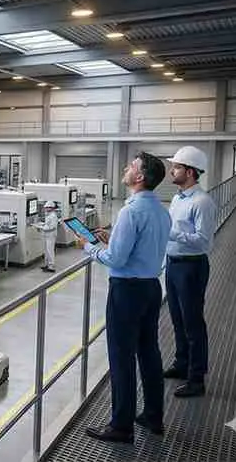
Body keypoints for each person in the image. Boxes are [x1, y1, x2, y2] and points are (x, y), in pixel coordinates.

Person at [77, 152, 171, 443]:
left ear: (140, 177)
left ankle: (121, 426)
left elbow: (116, 259)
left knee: (121, 357)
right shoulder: (160, 210)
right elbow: (141, 246)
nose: (126, 168)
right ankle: (153, 416)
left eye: (132, 166)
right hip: (151, 288)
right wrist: (114, 235)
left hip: (127, 292)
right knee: (149, 353)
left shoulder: (131, 211)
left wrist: (89, 247)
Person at [164, 146, 216, 398]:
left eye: (176, 167)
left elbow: (204, 241)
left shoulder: (202, 202)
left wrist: (170, 232)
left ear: (190, 171)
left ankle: (196, 379)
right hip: (174, 264)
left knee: (193, 322)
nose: (172, 170)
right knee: (177, 318)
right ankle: (181, 363)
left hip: (192, 267)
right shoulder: (177, 198)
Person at [35, 200, 59, 273]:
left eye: (47, 208)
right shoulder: (48, 215)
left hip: (51, 236)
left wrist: (41, 228)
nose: (45, 209)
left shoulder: (53, 216)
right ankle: (47, 264)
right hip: (47, 235)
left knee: (50, 251)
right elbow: (47, 224)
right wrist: (42, 226)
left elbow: (52, 227)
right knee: (46, 251)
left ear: (51, 208)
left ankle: (51, 266)